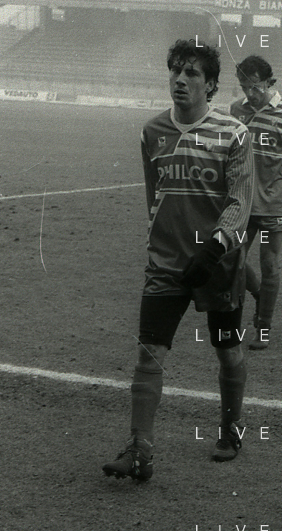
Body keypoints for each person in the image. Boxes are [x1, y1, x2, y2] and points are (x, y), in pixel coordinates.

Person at [102, 40, 254, 481]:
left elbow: (241, 201)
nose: (180, 80)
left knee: (227, 352)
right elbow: (155, 197)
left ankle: (231, 428)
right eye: (175, 71)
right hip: (166, 264)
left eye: (191, 73)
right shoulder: (152, 132)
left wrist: (215, 247)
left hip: (218, 265)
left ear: (211, 85)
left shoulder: (234, 134)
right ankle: (139, 450)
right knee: (149, 353)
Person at [230, 56, 282, 349]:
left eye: (255, 87)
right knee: (233, 260)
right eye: (245, 87)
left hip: (274, 205)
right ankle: (259, 296)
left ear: (269, 83)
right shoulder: (236, 111)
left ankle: (263, 327)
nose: (250, 93)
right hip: (242, 202)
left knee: (269, 263)